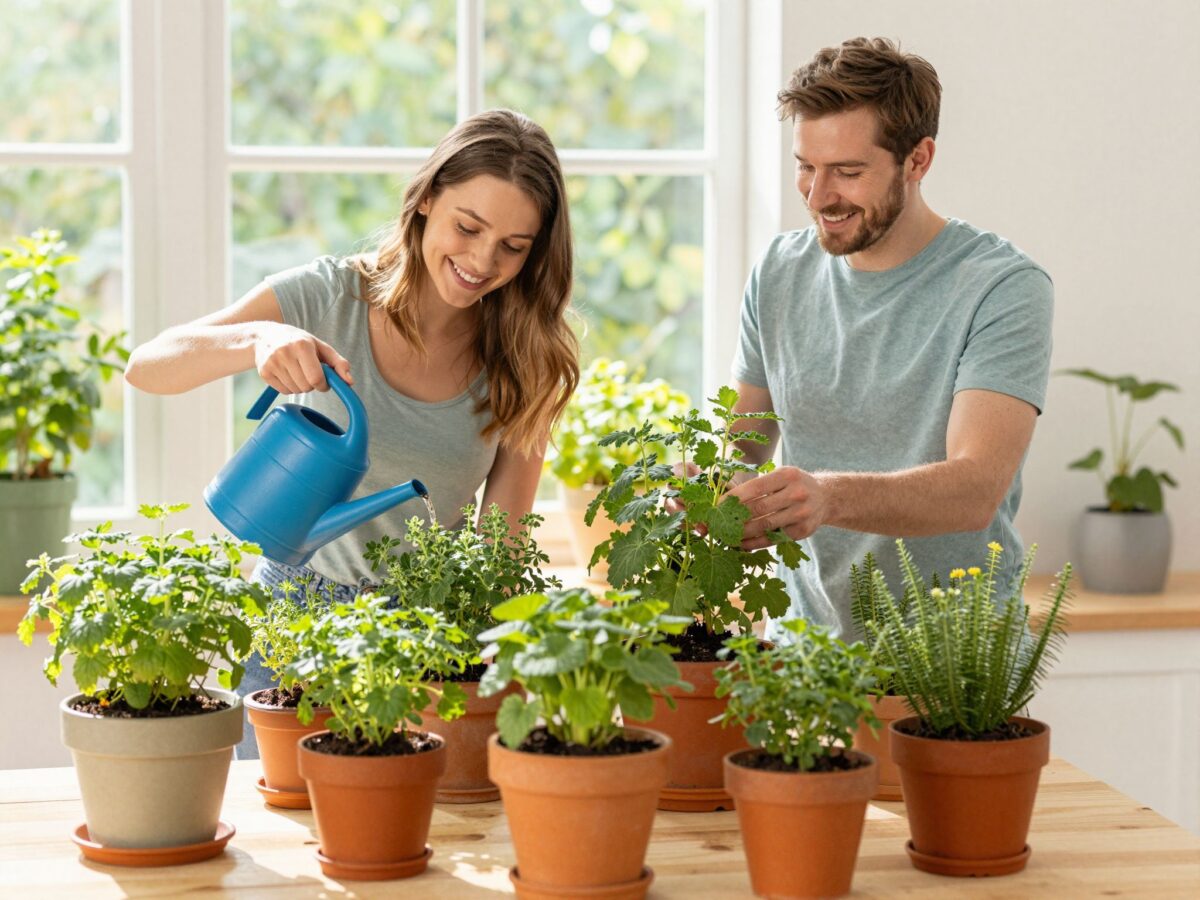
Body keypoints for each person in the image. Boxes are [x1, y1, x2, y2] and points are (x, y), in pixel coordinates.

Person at [125, 109, 579, 754]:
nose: (482, 260)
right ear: (425, 201)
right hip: (291, 634)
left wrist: (501, 678)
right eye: (468, 227)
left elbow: (497, 548)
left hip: (424, 649)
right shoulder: (328, 296)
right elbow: (148, 367)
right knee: (276, 834)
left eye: (513, 246)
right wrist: (258, 337)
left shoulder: (526, 357)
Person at [725, 38, 1053, 641]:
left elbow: (975, 488)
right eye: (805, 165)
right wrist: (704, 486)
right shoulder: (778, 271)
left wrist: (826, 497)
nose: (819, 196)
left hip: (957, 670)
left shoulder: (1002, 287)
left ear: (918, 160)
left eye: (848, 172)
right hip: (809, 658)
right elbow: (740, 448)